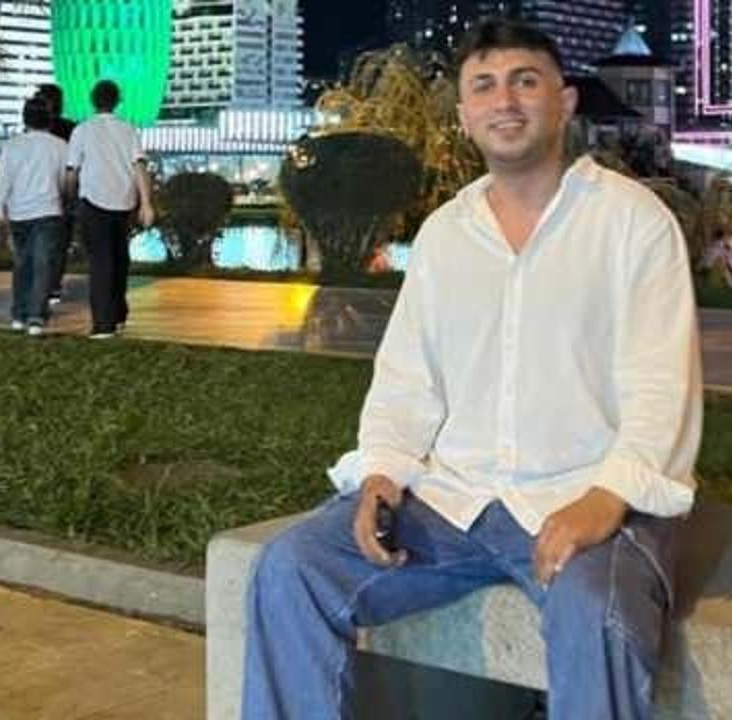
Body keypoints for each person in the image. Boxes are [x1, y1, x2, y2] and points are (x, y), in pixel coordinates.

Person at [241, 18, 702, 720]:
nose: (504, 101)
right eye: (483, 86)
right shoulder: (447, 234)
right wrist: (381, 473)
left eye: (524, 81)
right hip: (454, 502)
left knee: (596, 614)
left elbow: (661, 385)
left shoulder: (631, 222)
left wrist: (607, 498)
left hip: (585, 494)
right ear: (463, 115)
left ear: (564, 102)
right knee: (291, 569)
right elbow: (408, 379)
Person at [65, 80, 155, 339]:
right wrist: (146, 203)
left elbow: (72, 170)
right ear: (118, 101)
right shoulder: (128, 130)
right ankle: (118, 315)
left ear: (93, 101)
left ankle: (103, 324)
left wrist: (68, 196)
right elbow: (139, 166)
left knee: (100, 262)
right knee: (119, 259)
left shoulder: (82, 130)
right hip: (124, 202)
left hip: (93, 201)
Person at [0, 97, 69, 337]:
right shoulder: (60, 146)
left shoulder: (12, 146)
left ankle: (19, 314)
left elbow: (2, 179)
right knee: (42, 264)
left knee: (23, 264)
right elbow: (64, 181)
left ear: (25, 119)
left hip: (19, 213)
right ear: (49, 119)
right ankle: (36, 316)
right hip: (48, 210)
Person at [34, 83, 78, 305]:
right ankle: (51, 286)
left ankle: (46, 285)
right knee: (58, 243)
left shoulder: (34, 131)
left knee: (45, 242)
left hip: (44, 194)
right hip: (61, 194)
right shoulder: (72, 129)